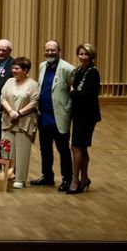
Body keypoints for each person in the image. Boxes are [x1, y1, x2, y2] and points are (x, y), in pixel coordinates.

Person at [33, 40, 76, 189]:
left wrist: (68, 108)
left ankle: (67, 178)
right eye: (47, 50)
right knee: (45, 148)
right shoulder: (42, 66)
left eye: (53, 50)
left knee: (63, 149)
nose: (50, 53)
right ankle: (47, 176)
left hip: (59, 116)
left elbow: (75, 90)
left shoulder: (68, 69)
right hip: (43, 115)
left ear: (59, 51)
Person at [0, 56, 39, 188]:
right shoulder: (9, 81)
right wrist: (11, 112)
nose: (14, 70)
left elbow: (34, 102)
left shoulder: (33, 84)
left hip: (24, 122)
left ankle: (20, 179)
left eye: (17, 68)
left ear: (25, 70)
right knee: (6, 149)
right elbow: (3, 97)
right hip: (8, 120)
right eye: (13, 67)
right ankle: (6, 174)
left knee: (22, 151)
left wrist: (19, 113)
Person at [68, 43, 100, 194]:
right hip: (78, 113)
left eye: (86, 54)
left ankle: (75, 179)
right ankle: (85, 178)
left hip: (87, 115)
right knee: (82, 147)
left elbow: (85, 95)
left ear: (91, 56)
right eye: (80, 54)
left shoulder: (93, 72)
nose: (82, 57)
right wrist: (74, 92)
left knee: (76, 147)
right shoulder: (80, 69)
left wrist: (73, 92)